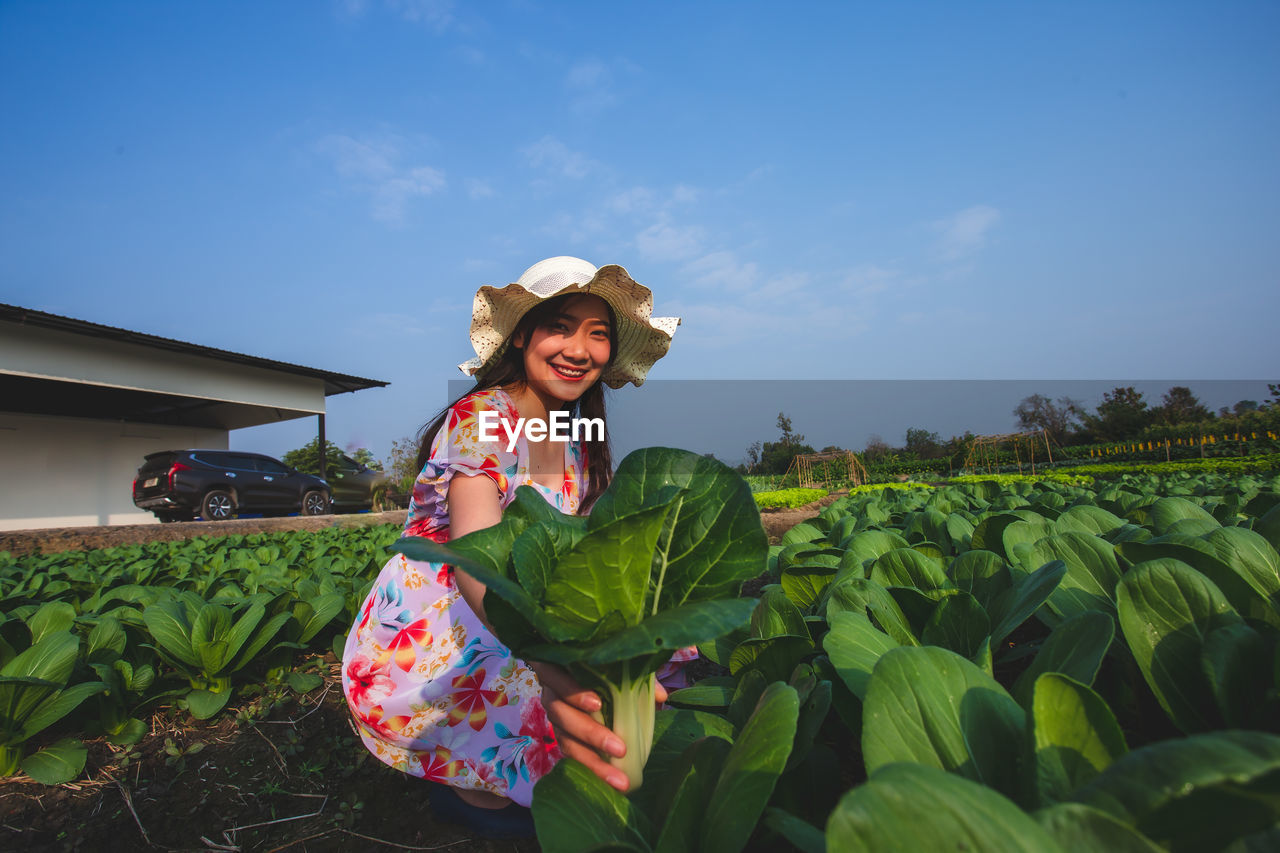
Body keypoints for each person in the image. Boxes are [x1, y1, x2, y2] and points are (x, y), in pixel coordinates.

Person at [340, 256, 682, 837]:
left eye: (598, 334)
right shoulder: (482, 418)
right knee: (538, 749)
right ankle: (466, 781)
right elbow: (479, 558)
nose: (580, 349)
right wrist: (551, 659)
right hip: (452, 624)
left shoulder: (567, 435)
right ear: (522, 334)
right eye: (562, 326)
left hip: (518, 606)